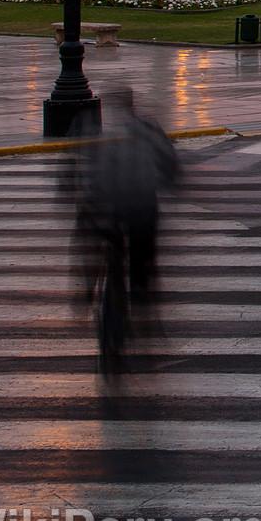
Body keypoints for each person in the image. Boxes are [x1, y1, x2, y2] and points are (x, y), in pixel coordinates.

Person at [66, 88, 180, 356]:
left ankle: (86, 287)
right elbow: (171, 166)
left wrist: (71, 196)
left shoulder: (87, 128)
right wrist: (168, 183)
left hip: (100, 210)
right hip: (140, 208)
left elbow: (68, 172)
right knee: (142, 259)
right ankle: (142, 302)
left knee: (90, 244)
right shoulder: (148, 128)